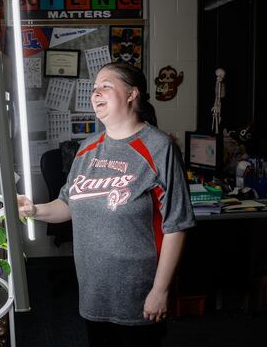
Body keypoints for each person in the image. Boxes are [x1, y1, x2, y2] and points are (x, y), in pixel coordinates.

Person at [18, 62, 196, 346]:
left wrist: (160, 290)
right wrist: (34, 210)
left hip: (138, 290)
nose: (95, 93)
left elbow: (177, 225)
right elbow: (68, 204)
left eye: (106, 86)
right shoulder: (87, 149)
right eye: (94, 88)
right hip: (94, 290)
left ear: (131, 94)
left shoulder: (159, 148)